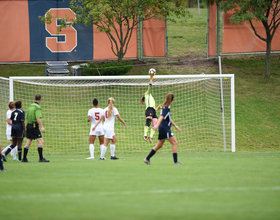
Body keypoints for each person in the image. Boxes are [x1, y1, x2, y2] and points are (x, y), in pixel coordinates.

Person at [143, 93, 181, 165]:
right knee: (175, 143)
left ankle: (147, 159)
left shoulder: (164, 107)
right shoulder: (166, 108)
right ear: (172, 100)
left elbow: (168, 118)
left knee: (159, 145)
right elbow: (161, 117)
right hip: (165, 128)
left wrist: (175, 125)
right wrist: (156, 125)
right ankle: (175, 162)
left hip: (162, 128)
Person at [22, 94, 49, 162]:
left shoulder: (30, 106)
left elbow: (27, 118)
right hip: (34, 126)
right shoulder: (37, 107)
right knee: (40, 141)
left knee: (28, 142)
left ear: (34, 99)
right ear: (40, 100)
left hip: (28, 125)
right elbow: (38, 118)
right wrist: (42, 127)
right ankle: (41, 158)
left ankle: (24, 158)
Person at [141, 77, 162, 143]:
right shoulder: (147, 94)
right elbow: (149, 87)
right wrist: (151, 79)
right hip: (149, 109)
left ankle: (150, 136)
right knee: (148, 122)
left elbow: (153, 108)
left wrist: (158, 108)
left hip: (152, 110)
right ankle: (145, 135)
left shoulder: (151, 97)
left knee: (155, 125)